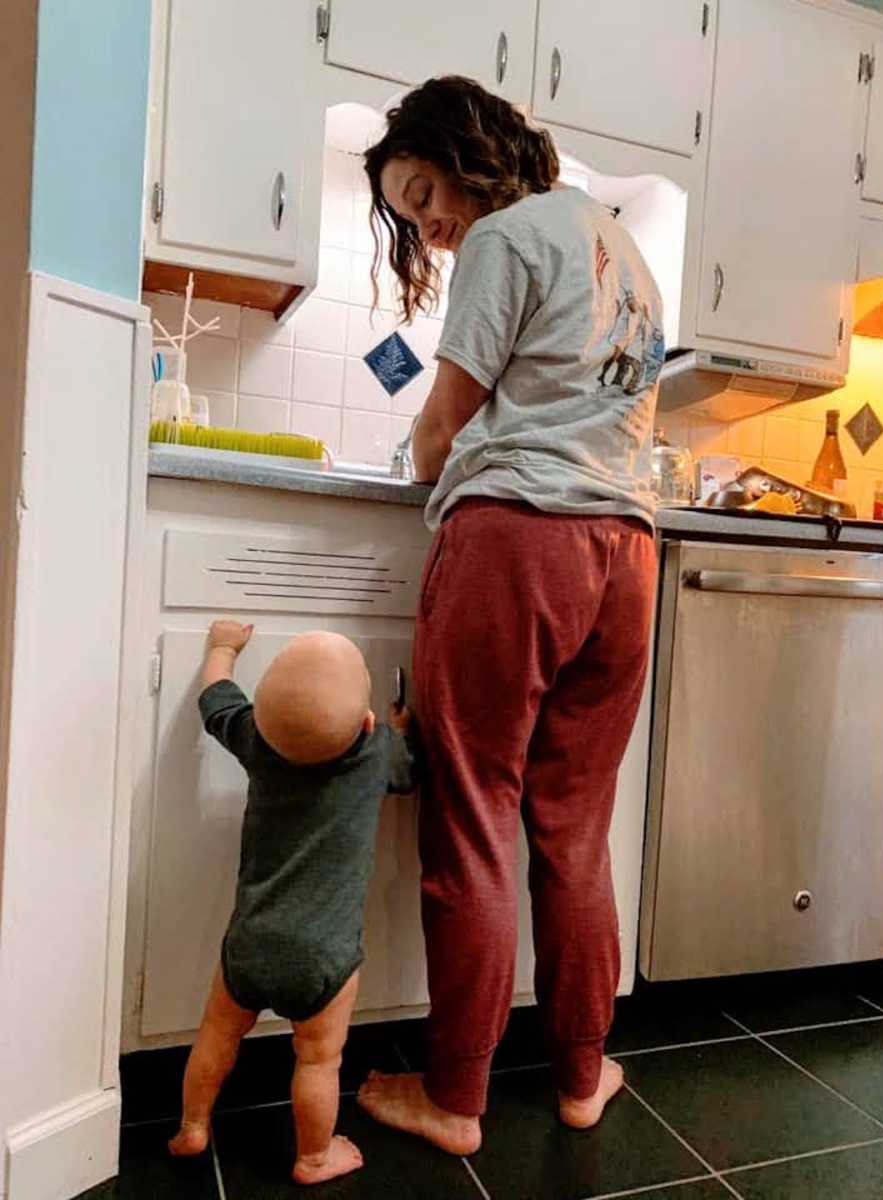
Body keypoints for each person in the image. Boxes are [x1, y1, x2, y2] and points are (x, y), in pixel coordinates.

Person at [356, 77, 661, 1156]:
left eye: (424, 188)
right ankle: (583, 1074)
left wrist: (422, 463)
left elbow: (446, 420)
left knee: (476, 812)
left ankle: (456, 1096)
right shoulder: (622, 249)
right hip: (626, 554)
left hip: (517, 542)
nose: (428, 222)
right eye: (407, 211)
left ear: (462, 149)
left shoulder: (504, 237)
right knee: (574, 826)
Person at [168, 620, 415, 1185]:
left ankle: (192, 1127)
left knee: (217, 1035)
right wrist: (401, 729)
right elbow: (412, 767)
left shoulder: (255, 738)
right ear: (368, 722)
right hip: (324, 960)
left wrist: (224, 648)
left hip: (249, 945)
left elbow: (214, 700)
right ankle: (313, 1157)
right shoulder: (376, 751)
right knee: (318, 1060)